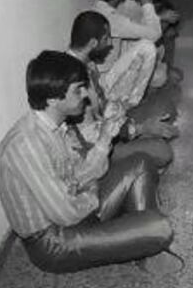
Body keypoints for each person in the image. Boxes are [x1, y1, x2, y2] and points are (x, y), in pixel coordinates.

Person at [0, 51, 175, 273]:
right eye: (78, 89)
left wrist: (106, 137)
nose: (85, 95)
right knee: (161, 228)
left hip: (78, 208)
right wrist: (92, 192)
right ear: (53, 100)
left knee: (141, 162)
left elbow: (82, 174)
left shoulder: (55, 126)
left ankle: (136, 240)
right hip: (53, 242)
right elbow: (67, 214)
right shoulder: (26, 145)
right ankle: (136, 234)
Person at [66, 11, 177, 170]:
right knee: (163, 152)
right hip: (98, 149)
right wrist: (140, 129)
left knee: (166, 108)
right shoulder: (73, 83)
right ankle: (137, 154)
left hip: (109, 121)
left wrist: (121, 114)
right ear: (93, 43)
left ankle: (142, 137)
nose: (110, 43)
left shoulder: (85, 62)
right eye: (106, 39)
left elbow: (103, 102)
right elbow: (92, 137)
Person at [91, 0, 167, 94]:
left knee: (158, 51)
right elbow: (155, 34)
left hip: (110, 65)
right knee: (152, 55)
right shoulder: (113, 19)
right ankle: (131, 100)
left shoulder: (99, 8)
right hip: (108, 81)